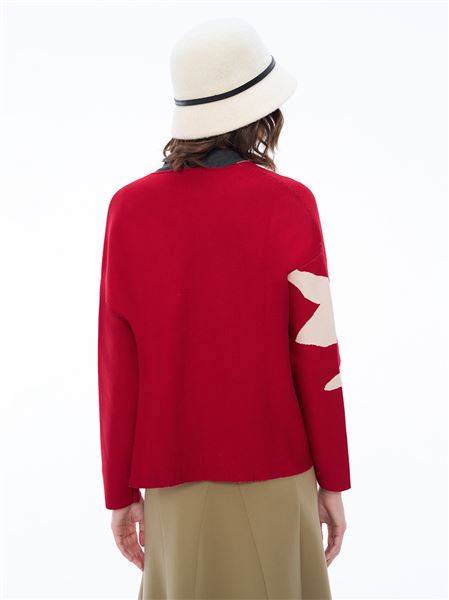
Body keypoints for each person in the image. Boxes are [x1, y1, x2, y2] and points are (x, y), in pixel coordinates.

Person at [97, 16, 351, 600]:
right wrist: (333, 479)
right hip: (279, 473)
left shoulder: (129, 210)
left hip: (171, 480)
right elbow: (317, 354)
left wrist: (119, 493)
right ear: (261, 112)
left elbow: (118, 364)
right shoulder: (290, 204)